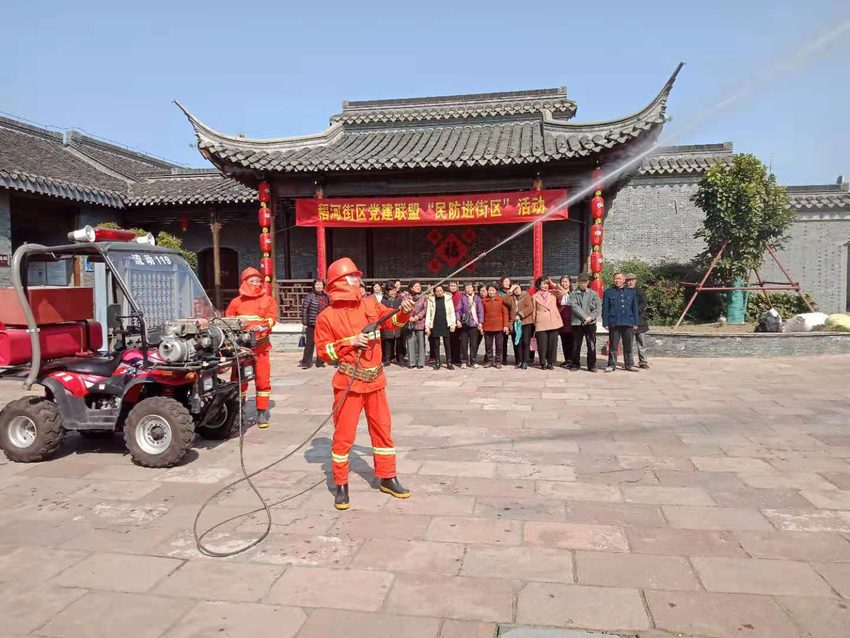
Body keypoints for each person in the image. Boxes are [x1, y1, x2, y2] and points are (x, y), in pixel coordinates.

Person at [314, 257, 413, 510]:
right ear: (338, 283)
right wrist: (350, 343)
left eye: (358, 277)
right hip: (348, 382)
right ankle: (341, 484)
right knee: (344, 436)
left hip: (376, 381)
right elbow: (324, 352)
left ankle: (388, 477)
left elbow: (391, 322)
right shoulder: (326, 316)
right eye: (353, 278)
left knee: (383, 430)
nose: (358, 281)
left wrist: (404, 311)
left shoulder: (370, 303)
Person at [226, 267, 279, 428]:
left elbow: (271, 319)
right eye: (252, 281)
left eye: (258, 281)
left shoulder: (268, 300)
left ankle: (261, 413)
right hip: (242, 349)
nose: (256, 284)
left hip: (261, 349)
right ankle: (238, 410)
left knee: (263, 379)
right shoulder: (236, 302)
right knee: (238, 380)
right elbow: (228, 320)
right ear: (244, 282)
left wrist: (263, 327)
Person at [602, 272, 639, 373]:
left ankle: (629, 364)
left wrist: (635, 322)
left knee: (628, 345)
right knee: (613, 345)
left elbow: (634, 308)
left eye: (619, 279)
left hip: (628, 322)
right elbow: (605, 309)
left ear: (624, 280)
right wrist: (605, 322)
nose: (617, 281)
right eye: (615, 279)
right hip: (614, 322)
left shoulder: (631, 292)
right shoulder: (609, 292)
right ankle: (611, 364)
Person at [568, 273, 600, 372]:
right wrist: (585, 317)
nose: (583, 283)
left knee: (591, 344)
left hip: (590, 323)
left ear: (588, 282)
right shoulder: (573, 294)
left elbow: (598, 308)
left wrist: (591, 317)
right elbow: (574, 306)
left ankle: (591, 365)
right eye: (581, 281)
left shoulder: (594, 294)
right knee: (576, 344)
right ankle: (575, 364)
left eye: (585, 281)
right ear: (578, 282)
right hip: (577, 322)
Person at [531, 276, 563, 370]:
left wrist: (552, 283)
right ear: (539, 285)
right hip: (541, 322)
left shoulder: (553, 294)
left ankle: (550, 362)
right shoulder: (534, 296)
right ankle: (542, 362)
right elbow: (534, 310)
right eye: (543, 283)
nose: (545, 286)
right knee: (542, 344)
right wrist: (535, 322)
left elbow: (562, 292)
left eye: (547, 284)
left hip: (553, 320)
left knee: (552, 344)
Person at [425, 284, 456, 370]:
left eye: (441, 290)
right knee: (436, 344)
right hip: (435, 323)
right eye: (437, 291)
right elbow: (428, 314)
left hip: (445, 323)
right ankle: (437, 362)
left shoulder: (448, 299)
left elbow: (452, 312)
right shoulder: (431, 300)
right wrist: (427, 326)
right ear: (435, 292)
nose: (439, 292)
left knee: (447, 344)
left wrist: (453, 324)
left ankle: (449, 362)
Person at [300, 279, 328, 369]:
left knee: (321, 343)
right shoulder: (310, 296)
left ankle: (320, 362)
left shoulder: (325, 296)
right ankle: (306, 363)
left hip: (322, 323)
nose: (319, 286)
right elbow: (304, 309)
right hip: (311, 322)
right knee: (310, 343)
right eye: (317, 284)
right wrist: (304, 323)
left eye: (321, 284)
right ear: (314, 286)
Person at [455, 282, 484, 369]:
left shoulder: (477, 298)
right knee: (463, 343)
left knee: (474, 343)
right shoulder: (462, 298)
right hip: (465, 323)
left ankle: (473, 361)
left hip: (474, 323)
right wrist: (458, 320)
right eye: (467, 288)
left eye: (470, 287)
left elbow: (480, 311)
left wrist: (480, 322)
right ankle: (464, 361)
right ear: (464, 289)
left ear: (473, 288)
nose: (469, 289)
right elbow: (458, 310)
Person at [626, 273, 650, 369]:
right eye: (628, 280)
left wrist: (636, 312)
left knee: (642, 343)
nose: (630, 282)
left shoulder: (640, 291)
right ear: (625, 281)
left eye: (632, 280)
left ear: (635, 280)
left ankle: (643, 361)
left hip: (640, 320)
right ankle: (629, 362)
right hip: (627, 321)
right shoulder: (623, 291)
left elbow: (643, 303)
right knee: (628, 343)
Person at [482, 284, 509, 368]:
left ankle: (498, 361)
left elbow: (505, 313)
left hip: (499, 326)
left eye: (493, 290)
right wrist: (482, 326)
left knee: (499, 345)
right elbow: (481, 314)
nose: (491, 292)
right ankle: (489, 361)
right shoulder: (484, 300)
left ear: (496, 291)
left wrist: (505, 325)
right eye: (489, 290)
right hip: (487, 325)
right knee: (488, 345)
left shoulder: (501, 300)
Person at [406, 281, 427, 369]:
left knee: (421, 342)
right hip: (410, 322)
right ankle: (412, 362)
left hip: (420, 321)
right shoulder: (407, 297)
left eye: (419, 286)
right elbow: (404, 307)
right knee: (410, 342)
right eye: (416, 286)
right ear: (411, 288)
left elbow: (425, 308)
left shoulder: (424, 296)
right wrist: (409, 316)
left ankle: (421, 362)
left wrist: (418, 316)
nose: (418, 287)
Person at [381, 286, 403, 366]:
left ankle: (400, 359)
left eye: (394, 291)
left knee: (399, 344)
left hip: (398, 323)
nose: (394, 292)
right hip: (388, 323)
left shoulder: (399, 299)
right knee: (388, 344)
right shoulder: (383, 300)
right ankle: (387, 359)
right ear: (388, 292)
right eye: (392, 291)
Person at [515, 284, 535, 369]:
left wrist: (520, 314)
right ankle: (519, 361)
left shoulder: (526, 295)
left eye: (517, 288)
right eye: (514, 289)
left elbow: (530, 307)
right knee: (518, 342)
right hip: (516, 322)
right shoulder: (512, 297)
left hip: (526, 322)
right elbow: (505, 301)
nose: (516, 290)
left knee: (526, 342)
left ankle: (525, 361)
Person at [556, 276, 574, 370]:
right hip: (561, 320)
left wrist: (567, 293)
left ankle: (572, 360)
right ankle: (567, 359)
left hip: (572, 320)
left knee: (572, 341)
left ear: (570, 283)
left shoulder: (574, 293)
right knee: (564, 341)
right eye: (562, 282)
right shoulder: (557, 294)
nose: (564, 283)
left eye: (566, 281)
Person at [497, 276, 512, 364]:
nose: (507, 283)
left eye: (508, 281)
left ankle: (518, 358)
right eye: (505, 281)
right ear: (502, 283)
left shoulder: (513, 291)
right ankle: (503, 358)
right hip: (502, 317)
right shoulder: (499, 293)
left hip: (512, 316)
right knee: (503, 340)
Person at [448, 281, 463, 365]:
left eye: (454, 286)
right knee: (451, 340)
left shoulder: (460, 295)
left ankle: (458, 357)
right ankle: (452, 357)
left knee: (458, 340)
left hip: (458, 320)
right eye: (451, 285)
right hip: (449, 320)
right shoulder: (447, 295)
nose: (452, 287)